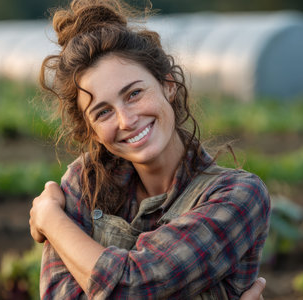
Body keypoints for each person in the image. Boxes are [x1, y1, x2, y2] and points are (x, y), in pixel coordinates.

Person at [29, 0, 271, 299]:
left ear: (168, 84)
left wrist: (50, 219)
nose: (126, 120)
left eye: (134, 94)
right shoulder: (85, 184)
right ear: (91, 130)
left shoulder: (238, 195)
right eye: (103, 112)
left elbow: (135, 287)